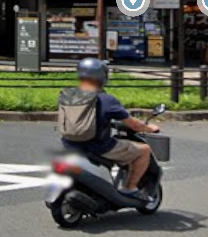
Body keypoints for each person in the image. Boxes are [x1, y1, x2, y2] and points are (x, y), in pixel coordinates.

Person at [61, 58, 160, 198]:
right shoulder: (107, 99)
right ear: (102, 76)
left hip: (70, 145)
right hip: (99, 147)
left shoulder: (69, 95)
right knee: (144, 150)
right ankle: (130, 189)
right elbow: (134, 125)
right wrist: (150, 128)